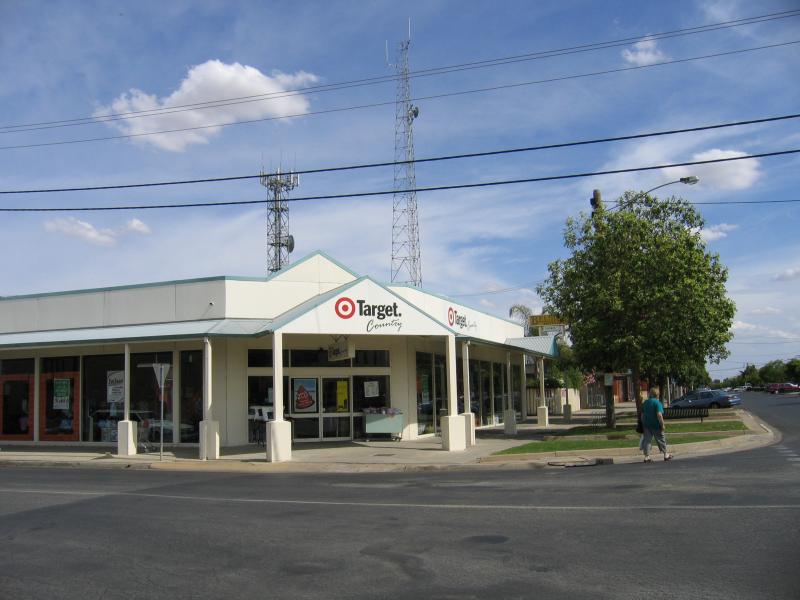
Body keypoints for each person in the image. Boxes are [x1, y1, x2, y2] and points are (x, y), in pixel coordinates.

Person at [640, 387, 673, 463]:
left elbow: (642, 415)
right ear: (657, 394)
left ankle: (647, 457)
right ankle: (665, 455)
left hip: (647, 425)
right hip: (656, 425)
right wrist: (662, 424)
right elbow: (659, 415)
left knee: (647, 441)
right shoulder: (657, 403)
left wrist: (643, 423)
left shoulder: (645, 402)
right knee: (661, 439)